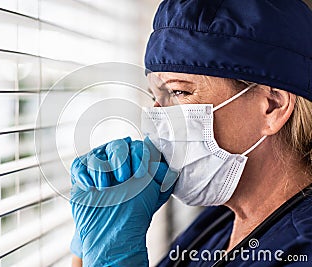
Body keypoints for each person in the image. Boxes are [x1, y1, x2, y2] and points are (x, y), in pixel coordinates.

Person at [70, 0, 312, 266]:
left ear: (272, 106)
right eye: (157, 95)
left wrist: (114, 256)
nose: (158, 116)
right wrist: (88, 243)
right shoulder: (218, 222)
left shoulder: (302, 249)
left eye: (179, 92)